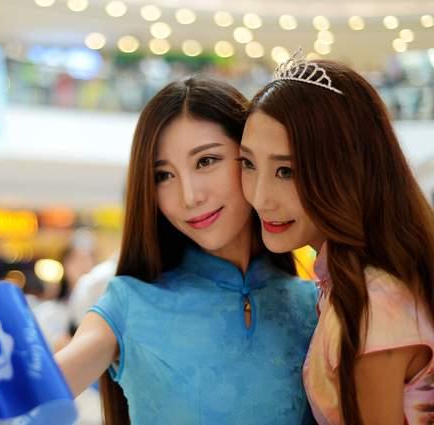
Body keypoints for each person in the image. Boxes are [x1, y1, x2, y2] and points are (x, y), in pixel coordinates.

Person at [55, 75, 319, 425]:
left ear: (250, 160)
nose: (189, 197)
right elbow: (39, 392)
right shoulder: (128, 303)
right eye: (164, 176)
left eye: (206, 161)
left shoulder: (316, 305)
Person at [239, 50, 434, 425]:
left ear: (347, 170)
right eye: (248, 163)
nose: (260, 197)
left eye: (286, 171)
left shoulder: (375, 303)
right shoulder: (358, 282)